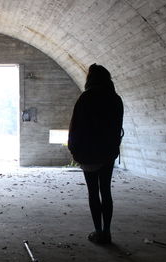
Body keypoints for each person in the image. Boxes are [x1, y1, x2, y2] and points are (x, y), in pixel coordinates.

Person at [68, 64, 124, 244]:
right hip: (108, 151)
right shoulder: (115, 99)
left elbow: (75, 127)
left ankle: (97, 231)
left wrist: (74, 149)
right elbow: (117, 127)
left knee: (93, 192)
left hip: (89, 151)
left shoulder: (86, 98)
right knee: (105, 190)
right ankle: (107, 231)